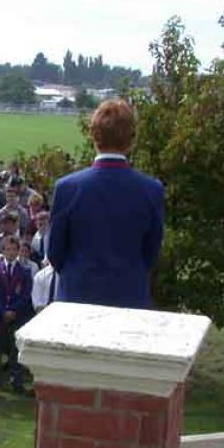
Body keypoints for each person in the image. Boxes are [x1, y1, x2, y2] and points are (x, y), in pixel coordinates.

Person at [48, 99, 164, 309]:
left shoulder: (67, 188)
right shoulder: (151, 189)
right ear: (131, 139)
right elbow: (151, 252)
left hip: (77, 299)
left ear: (93, 135)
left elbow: (55, 252)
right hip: (129, 298)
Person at [0, 235, 32, 392]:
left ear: (18, 251)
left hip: (17, 316)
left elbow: (26, 296)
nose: (11, 252)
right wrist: (3, 311)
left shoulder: (25, 272)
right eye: (8, 249)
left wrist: (13, 311)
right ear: (3, 251)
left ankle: (16, 380)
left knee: (15, 350)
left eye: (14, 249)